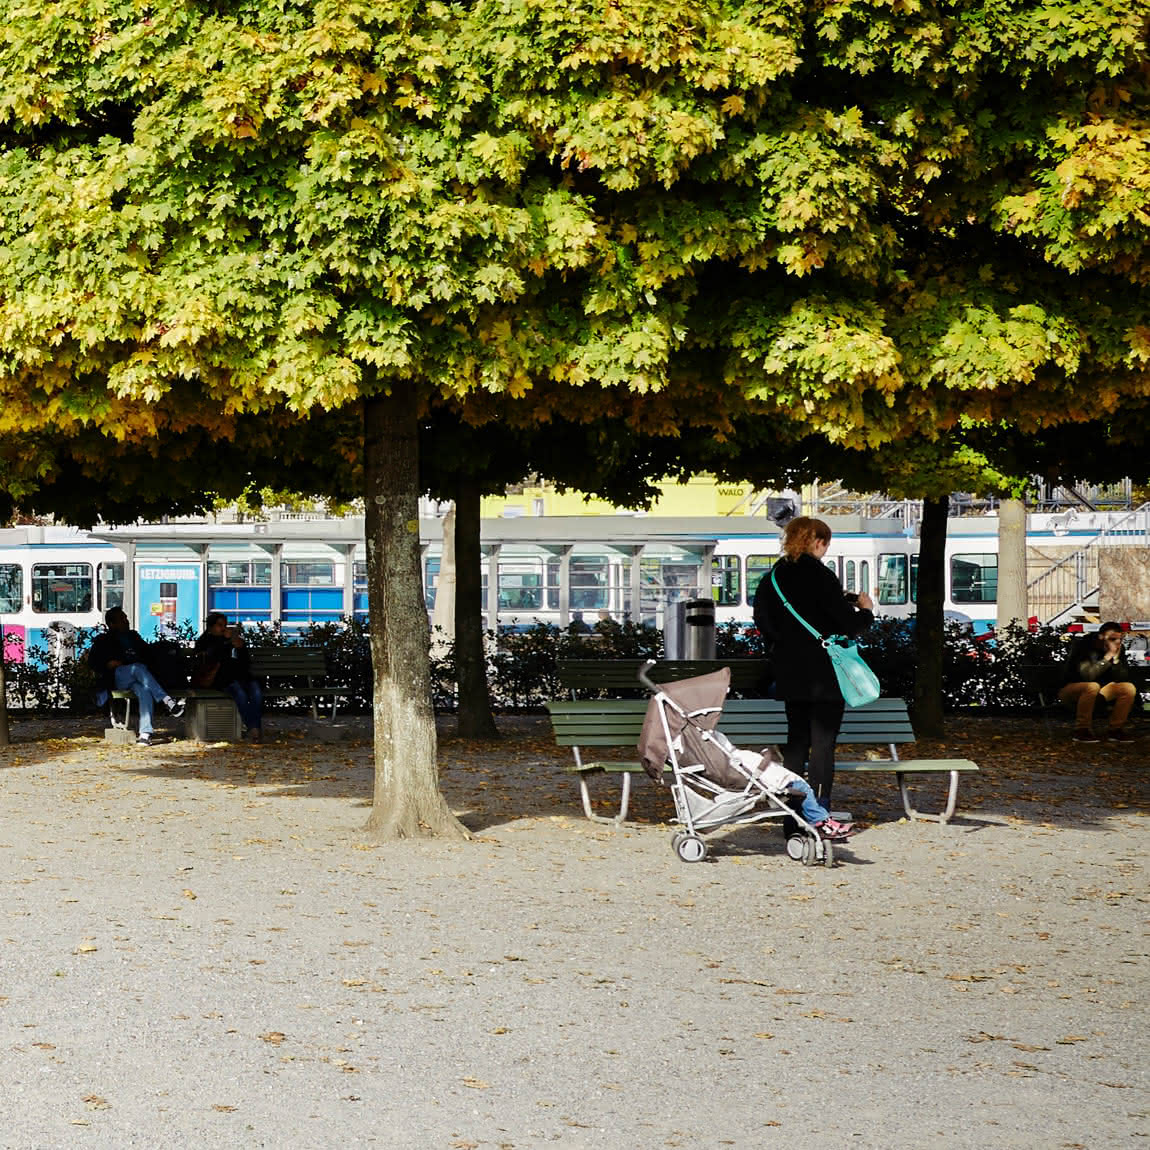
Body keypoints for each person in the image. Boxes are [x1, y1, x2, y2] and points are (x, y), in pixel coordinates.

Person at [753, 517, 875, 808]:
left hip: (790, 672)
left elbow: (763, 622)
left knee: (796, 742)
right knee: (822, 744)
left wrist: (782, 646)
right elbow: (847, 625)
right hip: (825, 673)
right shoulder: (822, 576)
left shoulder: (772, 578)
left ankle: (792, 809)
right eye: (826, 545)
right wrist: (866, 611)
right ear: (818, 542)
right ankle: (819, 809)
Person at [85, 607, 185, 745]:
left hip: (138, 677)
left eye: (126, 618)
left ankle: (145, 733)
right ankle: (166, 700)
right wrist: (108, 663)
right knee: (137, 668)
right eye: (122, 619)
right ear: (112, 624)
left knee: (144, 690)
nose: (126, 621)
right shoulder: (104, 640)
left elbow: (148, 655)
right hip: (117, 676)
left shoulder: (133, 636)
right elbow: (93, 662)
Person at [1057, 622, 1138, 743]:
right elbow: (1088, 675)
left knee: (1128, 688)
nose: (1116, 642)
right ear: (1101, 636)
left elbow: (1123, 677)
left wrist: (1116, 661)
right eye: (1112, 639)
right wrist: (1107, 657)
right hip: (1072, 690)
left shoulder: (1118, 649)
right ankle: (1082, 729)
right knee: (1092, 686)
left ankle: (1115, 729)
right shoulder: (1084, 646)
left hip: (1100, 691)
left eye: (1119, 639)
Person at [195, 613, 264, 742]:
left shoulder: (231, 639)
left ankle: (254, 729)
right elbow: (211, 657)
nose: (223, 628)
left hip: (241, 676)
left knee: (257, 692)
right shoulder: (205, 641)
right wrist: (225, 642)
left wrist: (241, 648)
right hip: (222, 678)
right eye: (219, 625)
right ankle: (254, 730)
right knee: (240, 694)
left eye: (225, 625)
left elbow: (245, 662)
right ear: (211, 627)